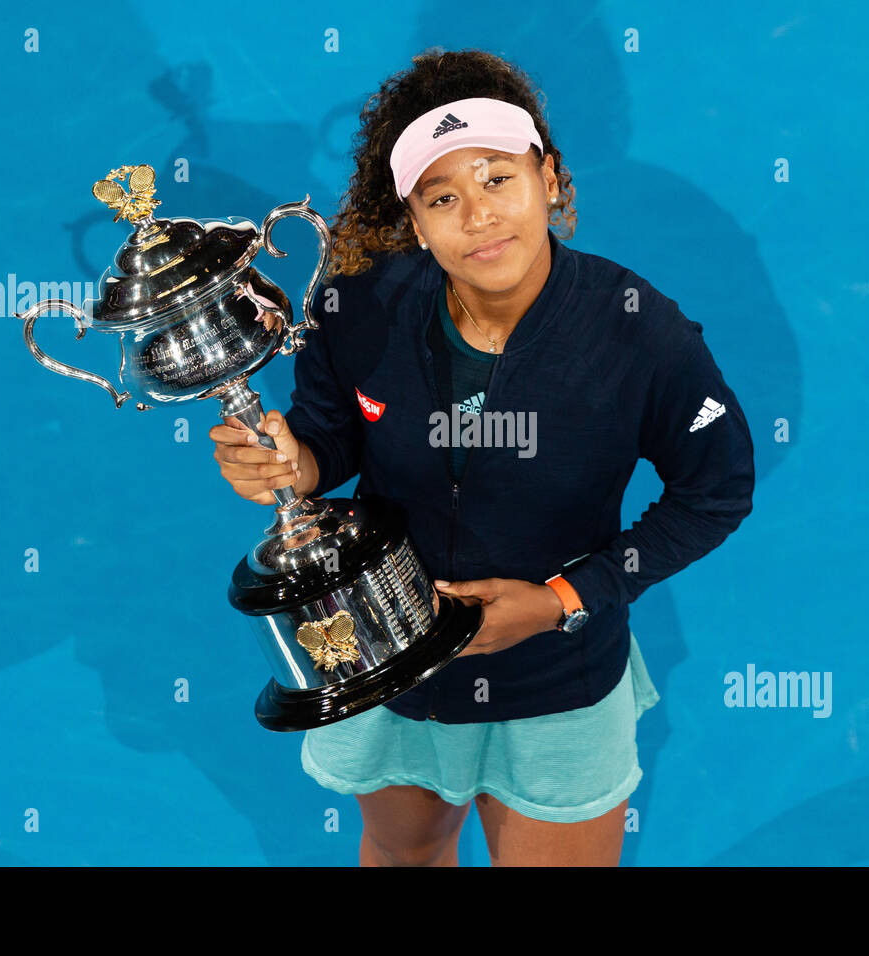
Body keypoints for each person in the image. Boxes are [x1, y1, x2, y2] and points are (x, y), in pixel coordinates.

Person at [209, 47, 755, 866]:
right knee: (405, 855)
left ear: (551, 179)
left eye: (498, 178)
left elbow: (716, 492)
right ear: (415, 221)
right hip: (388, 664)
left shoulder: (641, 331)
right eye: (443, 197)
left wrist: (567, 596)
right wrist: (293, 462)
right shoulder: (354, 305)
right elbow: (328, 437)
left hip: (558, 673)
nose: (479, 215)